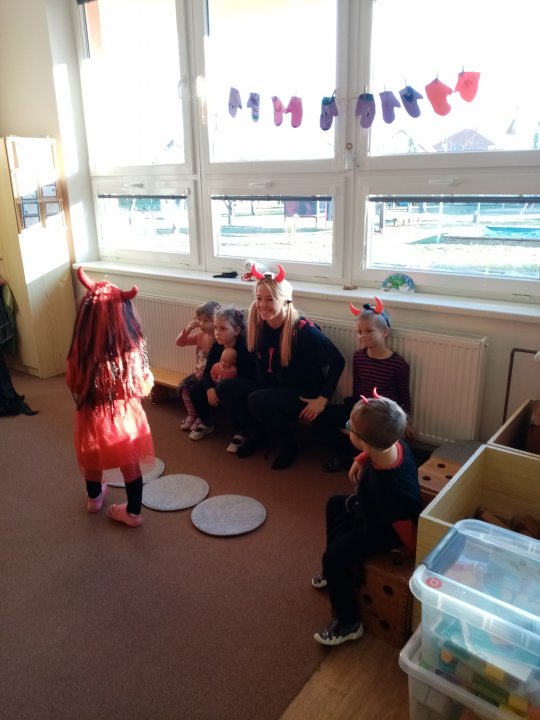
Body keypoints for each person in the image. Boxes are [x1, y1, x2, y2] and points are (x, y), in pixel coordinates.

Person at [312, 391, 422, 645]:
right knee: (335, 504)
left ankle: (349, 623)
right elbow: (378, 448)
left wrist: (406, 550)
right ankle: (334, 573)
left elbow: (408, 532)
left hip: (385, 526)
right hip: (373, 507)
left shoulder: (389, 490)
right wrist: (361, 458)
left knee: (333, 557)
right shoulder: (394, 443)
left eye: (350, 426)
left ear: (364, 441)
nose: (347, 426)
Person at [216, 264, 345, 470]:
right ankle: (259, 433)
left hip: (302, 395)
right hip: (275, 388)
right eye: (259, 298)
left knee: (257, 399)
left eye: (270, 299)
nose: (262, 304)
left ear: (285, 301)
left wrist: (322, 400)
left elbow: (338, 361)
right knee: (225, 388)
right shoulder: (260, 327)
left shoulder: (302, 330)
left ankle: (288, 445)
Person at [66, 267, 155, 528]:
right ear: (123, 316)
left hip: (91, 416)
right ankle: (133, 512)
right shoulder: (130, 354)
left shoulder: (80, 353)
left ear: (86, 319)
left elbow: (72, 382)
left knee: (91, 454)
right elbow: (144, 387)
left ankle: (94, 499)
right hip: (125, 418)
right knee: (130, 461)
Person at [321, 297, 411, 473]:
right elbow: (358, 387)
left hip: (382, 416)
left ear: (385, 332)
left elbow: (404, 395)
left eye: (369, 331)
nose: (363, 336)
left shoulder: (398, 364)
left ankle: (367, 456)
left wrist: (407, 421)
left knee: (386, 438)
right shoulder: (358, 357)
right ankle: (345, 454)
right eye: (359, 331)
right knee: (321, 417)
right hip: (361, 407)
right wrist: (354, 416)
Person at [187, 305, 258, 453]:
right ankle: (206, 422)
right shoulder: (217, 347)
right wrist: (209, 389)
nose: (217, 333)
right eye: (215, 328)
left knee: (225, 388)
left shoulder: (244, 348)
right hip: (220, 382)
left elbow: (246, 377)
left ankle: (241, 431)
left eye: (223, 329)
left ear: (236, 330)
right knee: (194, 388)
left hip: (240, 387)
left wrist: (219, 388)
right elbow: (207, 373)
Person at [175, 300, 221, 432]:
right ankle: (192, 415)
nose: (201, 324)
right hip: (198, 373)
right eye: (199, 320)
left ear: (216, 321)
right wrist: (189, 328)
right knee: (185, 387)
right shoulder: (201, 336)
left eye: (206, 321)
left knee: (198, 390)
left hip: (213, 377)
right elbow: (180, 342)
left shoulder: (219, 338)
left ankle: (202, 417)